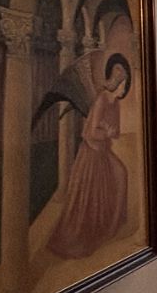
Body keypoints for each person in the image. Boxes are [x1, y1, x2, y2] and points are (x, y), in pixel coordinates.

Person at [48, 56, 131, 258]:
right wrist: (106, 133)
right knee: (91, 194)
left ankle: (112, 224)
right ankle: (88, 232)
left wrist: (111, 132)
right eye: (122, 82)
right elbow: (90, 133)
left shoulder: (115, 104)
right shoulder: (102, 99)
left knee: (121, 173)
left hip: (104, 150)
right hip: (92, 152)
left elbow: (116, 132)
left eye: (125, 83)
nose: (123, 87)